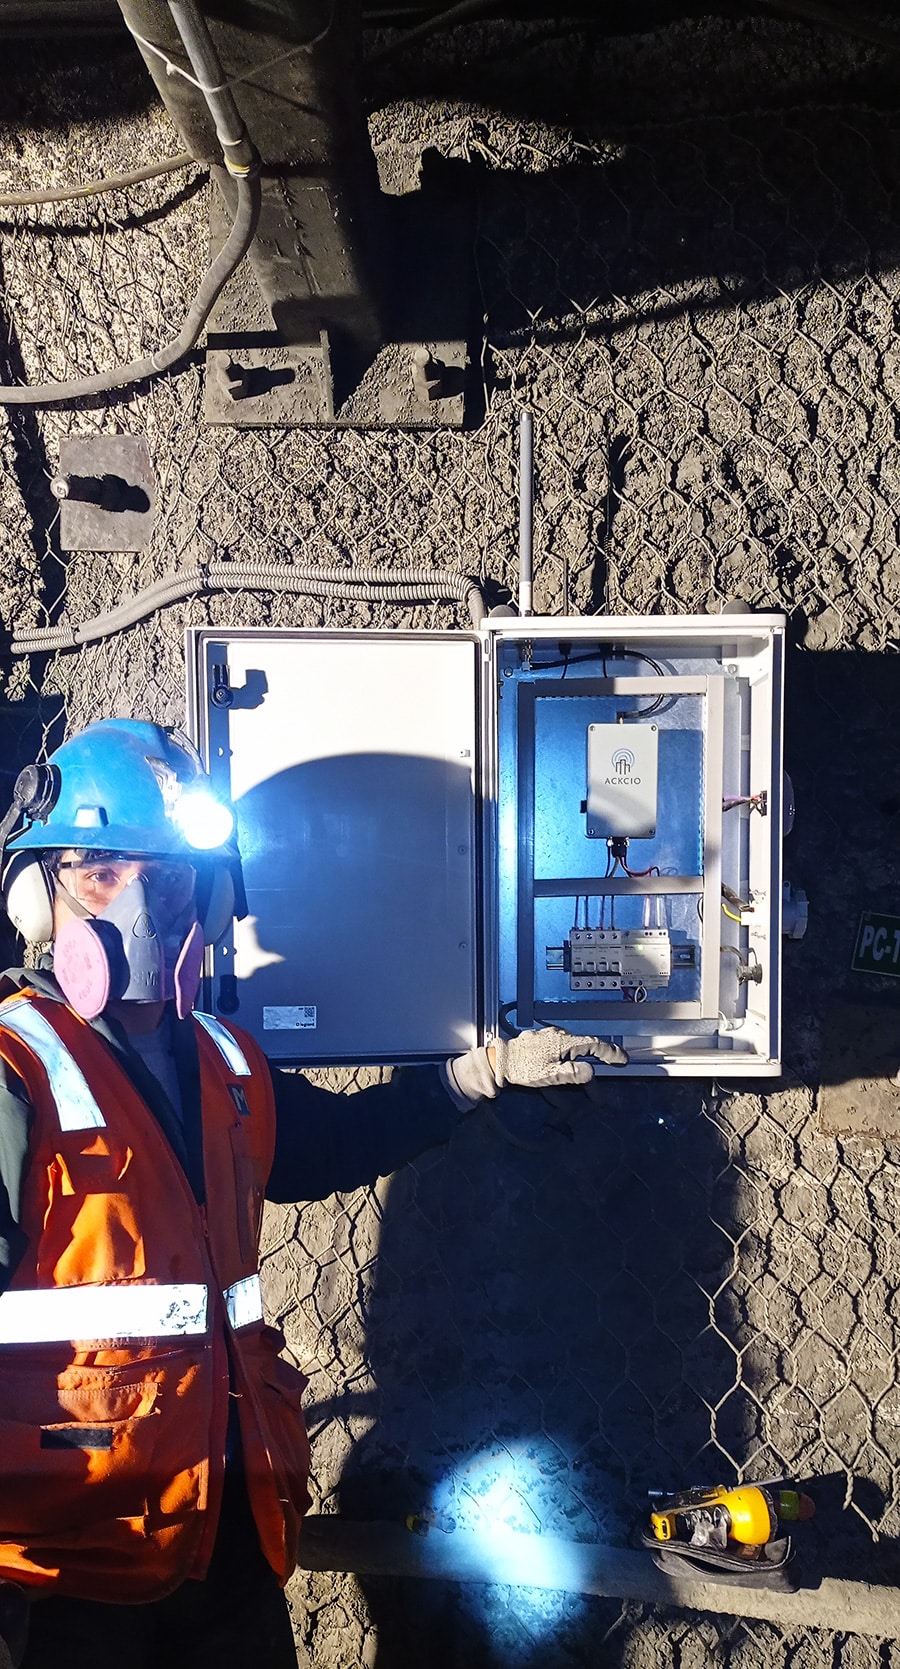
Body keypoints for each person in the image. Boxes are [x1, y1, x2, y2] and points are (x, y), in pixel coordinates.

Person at [0, 720, 626, 1669]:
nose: (143, 908)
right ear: (37, 895)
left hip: (230, 1541)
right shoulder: (14, 1066)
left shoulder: (222, 1061)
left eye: (169, 880)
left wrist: (474, 1077)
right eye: (102, 876)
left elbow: (329, 1143)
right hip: (67, 1569)